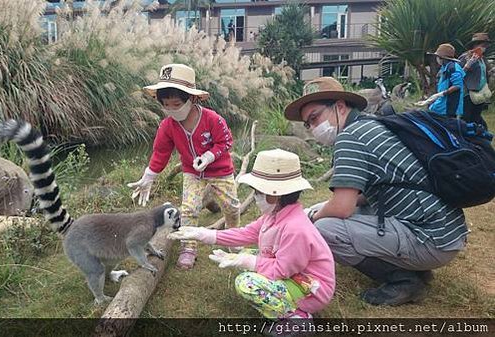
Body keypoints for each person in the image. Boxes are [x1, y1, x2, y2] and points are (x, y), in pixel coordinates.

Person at [284, 77, 468, 306]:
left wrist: (311, 217)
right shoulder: (372, 124)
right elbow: (372, 192)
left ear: (340, 107)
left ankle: (404, 280)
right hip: (446, 232)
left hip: (430, 239)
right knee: (329, 210)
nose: (313, 128)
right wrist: (321, 208)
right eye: (307, 124)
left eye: (315, 118)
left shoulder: (350, 138)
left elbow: (342, 207)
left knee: (324, 229)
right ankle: (415, 268)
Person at [168, 149, 335, 320]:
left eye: (259, 192)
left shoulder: (295, 229)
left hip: (310, 288)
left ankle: (296, 316)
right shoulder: (275, 215)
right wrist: (205, 234)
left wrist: (246, 262)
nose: (256, 197)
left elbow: (282, 270)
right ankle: (286, 302)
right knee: (246, 254)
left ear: (276, 194)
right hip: (297, 274)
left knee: (245, 283)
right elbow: (247, 233)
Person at [128, 63, 240, 270]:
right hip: (191, 173)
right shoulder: (167, 126)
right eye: (165, 105)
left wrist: (208, 156)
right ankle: (189, 247)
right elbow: (161, 152)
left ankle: (233, 238)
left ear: (192, 99)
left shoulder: (212, 119)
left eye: (177, 104)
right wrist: (149, 175)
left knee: (231, 207)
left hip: (221, 172)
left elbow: (225, 142)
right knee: (188, 209)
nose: (171, 109)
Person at [422, 43, 465, 118]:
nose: (437, 59)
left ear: (441, 58)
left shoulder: (453, 68)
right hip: (443, 102)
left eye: (437, 57)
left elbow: (457, 85)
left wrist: (443, 93)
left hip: (450, 104)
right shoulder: (445, 67)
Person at [460, 33, 491, 129]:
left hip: (480, 92)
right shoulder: (466, 57)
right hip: (468, 93)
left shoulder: (483, 59)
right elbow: (459, 73)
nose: (484, 48)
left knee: (476, 116)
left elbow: (486, 72)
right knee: (466, 117)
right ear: (475, 45)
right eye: (482, 45)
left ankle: (477, 137)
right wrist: (469, 63)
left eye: (485, 45)